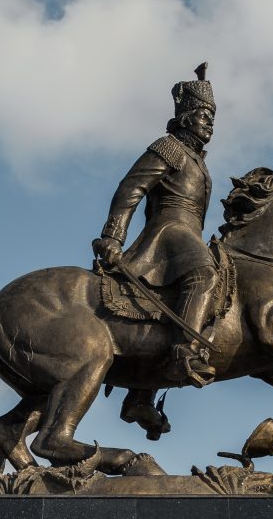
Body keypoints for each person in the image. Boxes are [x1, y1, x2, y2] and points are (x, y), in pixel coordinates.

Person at [92, 63, 219, 390]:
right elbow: (131, 188)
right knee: (204, 275)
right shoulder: (169, 147)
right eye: (205, 116)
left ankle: (143, 392)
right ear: (187, 116)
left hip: (190, 234)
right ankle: (185, 354)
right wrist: (113, 236)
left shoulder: (199, 162)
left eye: (213, 119)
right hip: (168, 231)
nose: (210, 125)